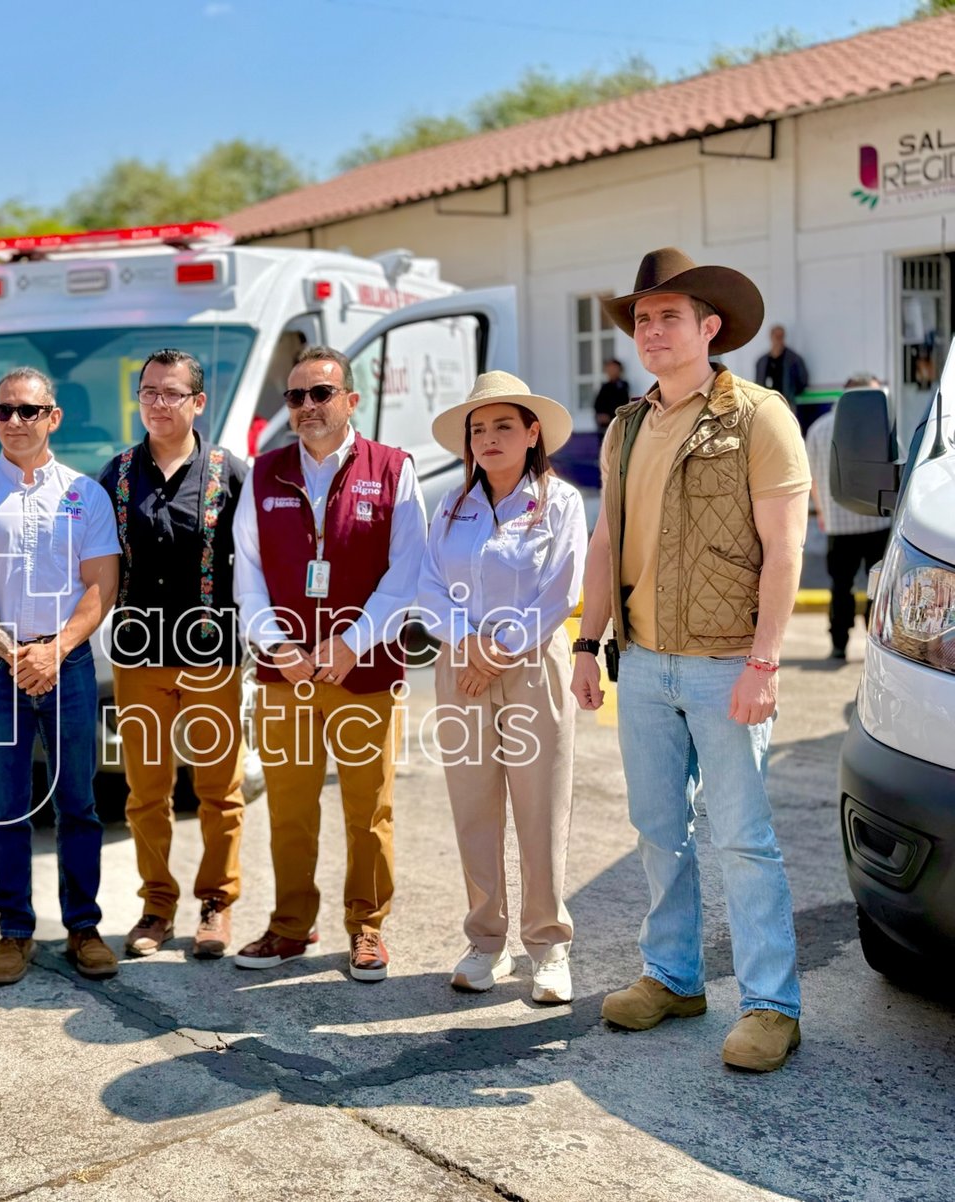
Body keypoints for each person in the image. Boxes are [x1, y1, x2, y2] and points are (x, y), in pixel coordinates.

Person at [573, 248, 810, 1072]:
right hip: (642, 665)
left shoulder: (759, 415)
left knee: (743, 838)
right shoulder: (626, 425)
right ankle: (673, 978)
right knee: (657, 832)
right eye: (642, 317)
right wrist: (583, 642)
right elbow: (608, 539)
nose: (651, 329)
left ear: (710, 328)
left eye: (669, 315)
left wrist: (766, 663)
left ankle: (772, 1005)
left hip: (726, 663)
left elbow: (785, 551)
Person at [232, 345, 426, 984]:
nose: (308, 407)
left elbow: (407, 571)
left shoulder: (393, 469)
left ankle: (366, 927)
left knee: (368, 809)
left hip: (364, 671)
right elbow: (248, 575)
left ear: (351, 399)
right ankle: (290, 926)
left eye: (321, 393)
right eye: (296, 397)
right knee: (288, 807)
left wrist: (354, 644)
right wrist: (278, 648)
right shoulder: (265, 472)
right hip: (285, 674)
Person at [0, 367, 122, 986]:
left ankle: (83, 927)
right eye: (4, 411)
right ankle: (14, 931)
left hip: (67, 664)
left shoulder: (85, 494)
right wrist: (13, 652)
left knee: (79, 803)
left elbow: (101, 586)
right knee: (7, 805)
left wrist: (53, 650)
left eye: (29, 411)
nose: (16, 421)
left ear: (54, 417)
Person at [416, 371, 586, 1004]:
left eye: (503, 426)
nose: (488, 439)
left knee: (542, 806)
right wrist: (467, 646)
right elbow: (429, 584)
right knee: (473, 806)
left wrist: (499, 650)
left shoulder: (559, 502)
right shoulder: (451, 507)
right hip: (460, 667)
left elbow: (563, 587)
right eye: (478, 429)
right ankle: (486, 942)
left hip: (533, 665)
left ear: (532, 432)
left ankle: (548, 947)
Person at [98, 349, 248, 959]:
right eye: (149, 393)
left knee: (219, 788)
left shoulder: (231, 473)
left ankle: (217, 903)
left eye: (172, 393)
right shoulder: (116, 475)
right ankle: (157, 904)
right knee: (146, 790)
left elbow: (259, 566)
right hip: (139, 655)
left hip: (212, 653)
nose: (158, 404)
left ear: (197, 402)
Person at [805, 374, 892, 661]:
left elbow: (813, 478)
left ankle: (839, 644)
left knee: (840, 586)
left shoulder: (819, 429)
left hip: (837, 525)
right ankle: (876, 645)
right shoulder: (881, 425)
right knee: (878, 588)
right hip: (877, 521)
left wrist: (822, 513)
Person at [755, 325, 809, 409]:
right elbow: (758, 383)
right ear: (771, 337)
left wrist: (791, 393)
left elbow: (803, 381)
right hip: (767, 405)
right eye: (777, 336)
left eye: (781, 336)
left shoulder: (793, 360)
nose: (779, 340)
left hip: (787, 403)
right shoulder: (762, 362)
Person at [593, 358, 630, 434]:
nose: (611, 371)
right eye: (609, 369)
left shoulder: (623, 386)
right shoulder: (605, 387)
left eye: (614, 368)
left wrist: (610, 416)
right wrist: (600, 415)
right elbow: (597, 404)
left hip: (618, 423)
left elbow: (623, 404)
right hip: (605, 427)